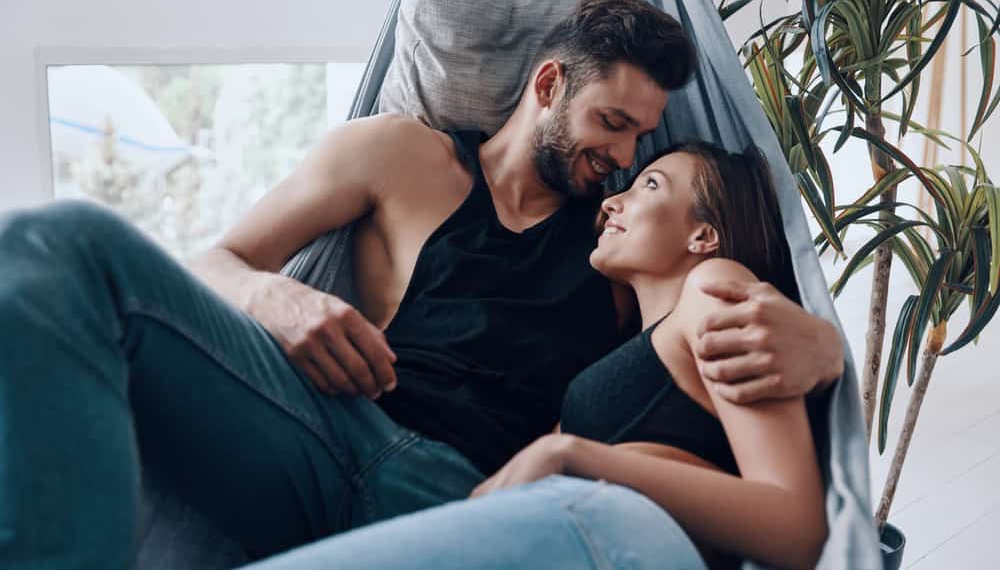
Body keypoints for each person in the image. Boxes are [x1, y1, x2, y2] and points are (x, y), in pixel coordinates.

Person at [0, 0, 841, 568]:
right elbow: (214, 263)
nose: (622, 159)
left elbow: (716, 319)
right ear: (549, 85)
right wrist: (272, 294)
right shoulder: (398, 157)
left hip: (466, 492)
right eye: (611, 124)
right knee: (57, 242)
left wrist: (826, 343)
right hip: (319, 432)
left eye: (640, 144)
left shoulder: (617, 240)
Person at [242, 143, 826, 570]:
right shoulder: (622, 345)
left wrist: (569, 453)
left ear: (704, 236)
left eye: (650, 185)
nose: (613, 202)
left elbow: (794, 528)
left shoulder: (715, 287)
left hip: (625, 538)